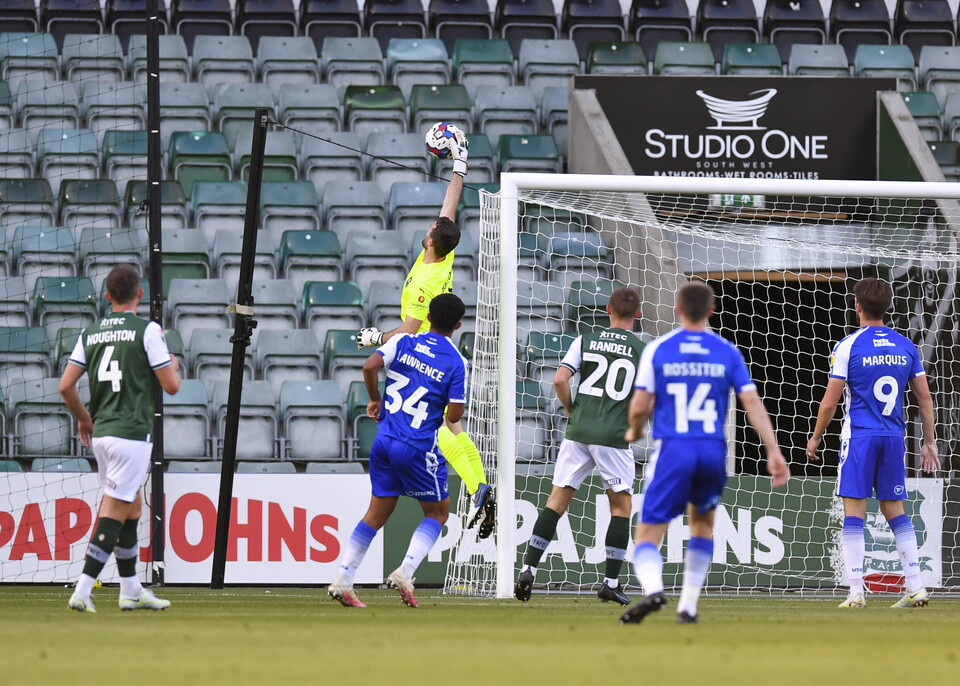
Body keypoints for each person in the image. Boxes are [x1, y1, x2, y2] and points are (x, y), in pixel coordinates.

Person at [620, 281, 789, 625]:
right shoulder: (726, 351)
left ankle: (653, 589)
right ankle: (689, 606)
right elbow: (752, 402)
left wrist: (635, 430)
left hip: (674, 448)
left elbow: (639, 406)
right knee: (702, 525)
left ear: (677, 309)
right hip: (713, 451)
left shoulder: (659, 349)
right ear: (711, 311)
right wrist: (773, 450)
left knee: (648, 534)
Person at [355, 128, 494, 538]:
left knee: (439, 429)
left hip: (427, 348)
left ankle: (477, 489)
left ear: (431, 239)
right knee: (454, 429)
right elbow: (450, 206)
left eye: (432, 226)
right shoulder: (441, 250)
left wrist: (375, 338)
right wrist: (460, 163)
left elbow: (409, 331)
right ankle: (481, 487)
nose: (431, 225)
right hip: (446, 344)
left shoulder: (422, 284)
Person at [806, 277, 939, 609]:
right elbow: (925, 399)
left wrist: (816, 435)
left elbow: (829, 402)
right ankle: (916, 586)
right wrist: (929, 442)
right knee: (895, 511)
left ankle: (856, 592)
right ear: (888, 306)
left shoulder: (848, 346)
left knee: (854, 511)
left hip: (860, 438)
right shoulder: (906, 346)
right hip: (894, 438)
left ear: (857, 306)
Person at [329, 293, 469, 608]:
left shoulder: (404, 341)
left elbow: (369, 365)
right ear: (458, 325)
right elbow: (455, 416)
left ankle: (344, 579)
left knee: (376, 513)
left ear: (429, 317)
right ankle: (405, 573)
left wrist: (375, 399)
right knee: (438, 512)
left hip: (384, 440)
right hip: (417, 445)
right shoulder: (457, 361)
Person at [61, 264, 181, 613]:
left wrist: (84, 419)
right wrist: (171, 364)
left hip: (102, 434)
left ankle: (130, 590)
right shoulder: (148, 330)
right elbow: (171, 386)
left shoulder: (91, 332)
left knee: (132, 505)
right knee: (115, 508)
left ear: (107, 295)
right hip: (130, 434)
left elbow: (65, 385)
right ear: (139, 294)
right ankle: (83, 588)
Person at [515, 288, 645, 606]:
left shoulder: (584, 340)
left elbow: (559, 380)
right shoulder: (643, 350)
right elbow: (646, 397)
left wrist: (573, 411)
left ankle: (528, 567)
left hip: (578, 431)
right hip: (613, 436)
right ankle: (610, 582)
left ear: (607, 309)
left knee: (557, 501)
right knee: (621, 508)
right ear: (638, 314)